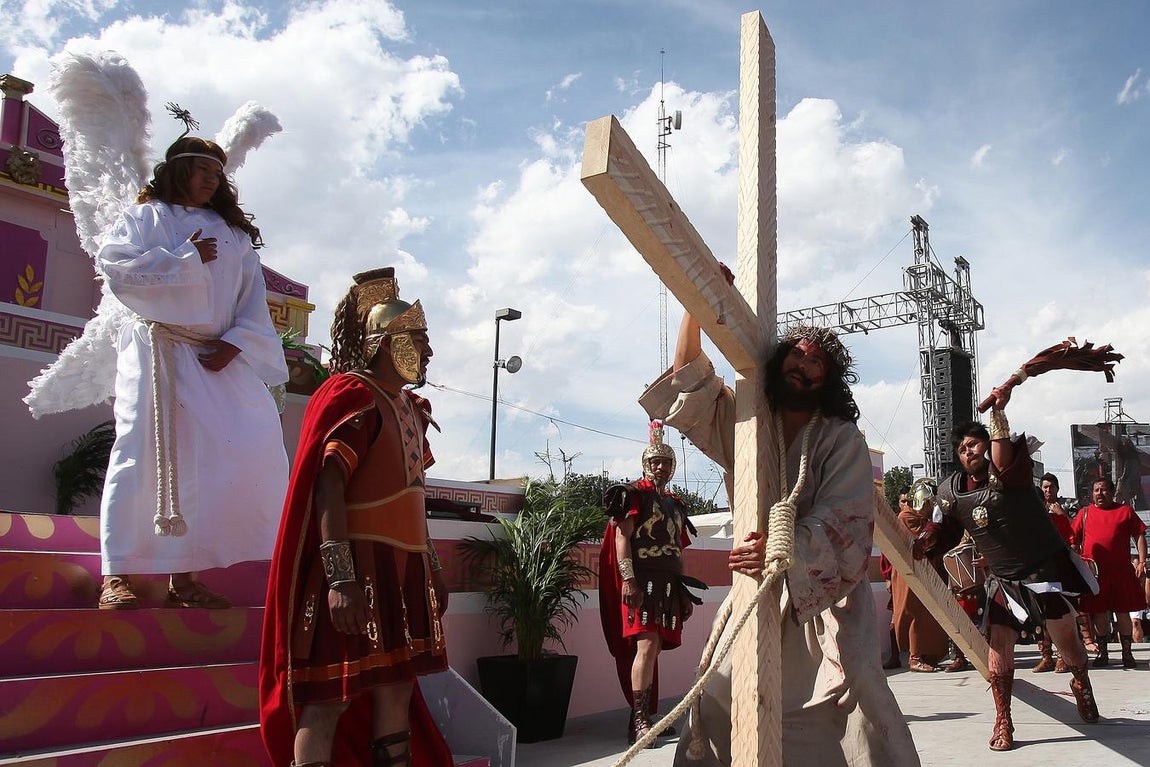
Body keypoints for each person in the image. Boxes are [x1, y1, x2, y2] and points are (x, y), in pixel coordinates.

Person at [640, 308, 919, 766]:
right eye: (798, 354)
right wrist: (698, 307)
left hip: (826, 598)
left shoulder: (841, 438)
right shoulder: (746, 422)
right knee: (717, 695)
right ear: (779, 360)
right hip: (756, 592)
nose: (804, 367)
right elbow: (689, 377)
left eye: (817, 364)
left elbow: (844, 521)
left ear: (828, 380)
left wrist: (782, 549)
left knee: (859, 703)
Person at [259, 268, 451, 767]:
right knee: (329, 698)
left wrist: (429, 565)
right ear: (385, 342)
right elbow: (328, 486)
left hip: (402, 569)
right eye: (419, 339)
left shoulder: (410, 408)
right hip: (357, 565)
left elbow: (414, 496)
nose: (428, 351)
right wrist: (339, 577)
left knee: (396, 688)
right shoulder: (353, 395)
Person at [95, 135, 288, 610]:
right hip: (158, 351)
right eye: (202, 169)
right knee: (142, 453)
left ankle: (186, 577)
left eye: (217, 173)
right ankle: (117, 574)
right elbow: (117, 269)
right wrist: (185, 260)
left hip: (213, 358)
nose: (211, 179)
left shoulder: (233, 235)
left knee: (232, 452)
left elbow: (252, 300)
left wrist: (236, 342)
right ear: (177, 170)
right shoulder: (143, 219)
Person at [928, 389, 1100, 752]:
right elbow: (941, 534)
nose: (968, 452)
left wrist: (999, 416)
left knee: (1066, 640)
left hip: (1042, 573)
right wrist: (923, 541)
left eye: (974, 445)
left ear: (987, 446)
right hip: (1001, 580)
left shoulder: (1012, 474)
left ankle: (1080, 682)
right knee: (999, 644)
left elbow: (1002, 454)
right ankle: (1003, 720)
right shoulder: (951, 493)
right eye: (961, 449)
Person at [599, 422, 699, 746]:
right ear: (646, 464)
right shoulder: (634, 495)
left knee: (654, 648)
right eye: (656, 461)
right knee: (645, 646)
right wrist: (628, 580)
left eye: (667, 462)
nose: (661, 467)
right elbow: (622, 537)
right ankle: (640, 722)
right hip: (641, 581)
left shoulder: (675, 503)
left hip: (668, 583)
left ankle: (644, 718)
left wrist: (682, 591)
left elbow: (677, 550)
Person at [1072, 476, 1147, 669]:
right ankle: (1103, 653)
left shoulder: (1125, 511)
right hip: (1095, 575)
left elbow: (1139, 535)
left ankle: (1127, 653)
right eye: (1096, 490)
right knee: (1100, 614)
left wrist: (1142, 561)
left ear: (1112, 492)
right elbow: (1072, 539)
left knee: (1123, 613)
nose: (1099, 493)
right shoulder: (1085, 513)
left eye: (1104, 490)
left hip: (1121, 573)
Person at [891, 486, 952, 672]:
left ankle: (929, 654)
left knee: (929, 615)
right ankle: (915, 657)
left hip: (925, 572)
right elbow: (918, 541)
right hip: (909, 574)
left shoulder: (924, 519)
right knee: (914, 613)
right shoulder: (906, 517)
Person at [1036, 473, 1075, 673]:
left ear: (1057, 489)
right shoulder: (1034, 508)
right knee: (1040, 614)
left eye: (1051, 487)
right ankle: (1046, 656)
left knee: (1059, 613)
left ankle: (1063, 656)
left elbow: (1072, 536)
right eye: (1045, 487)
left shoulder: (1065, 509)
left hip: (1058, 567)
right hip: (1038, 567)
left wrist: (1062, 516)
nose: (1048, 490)